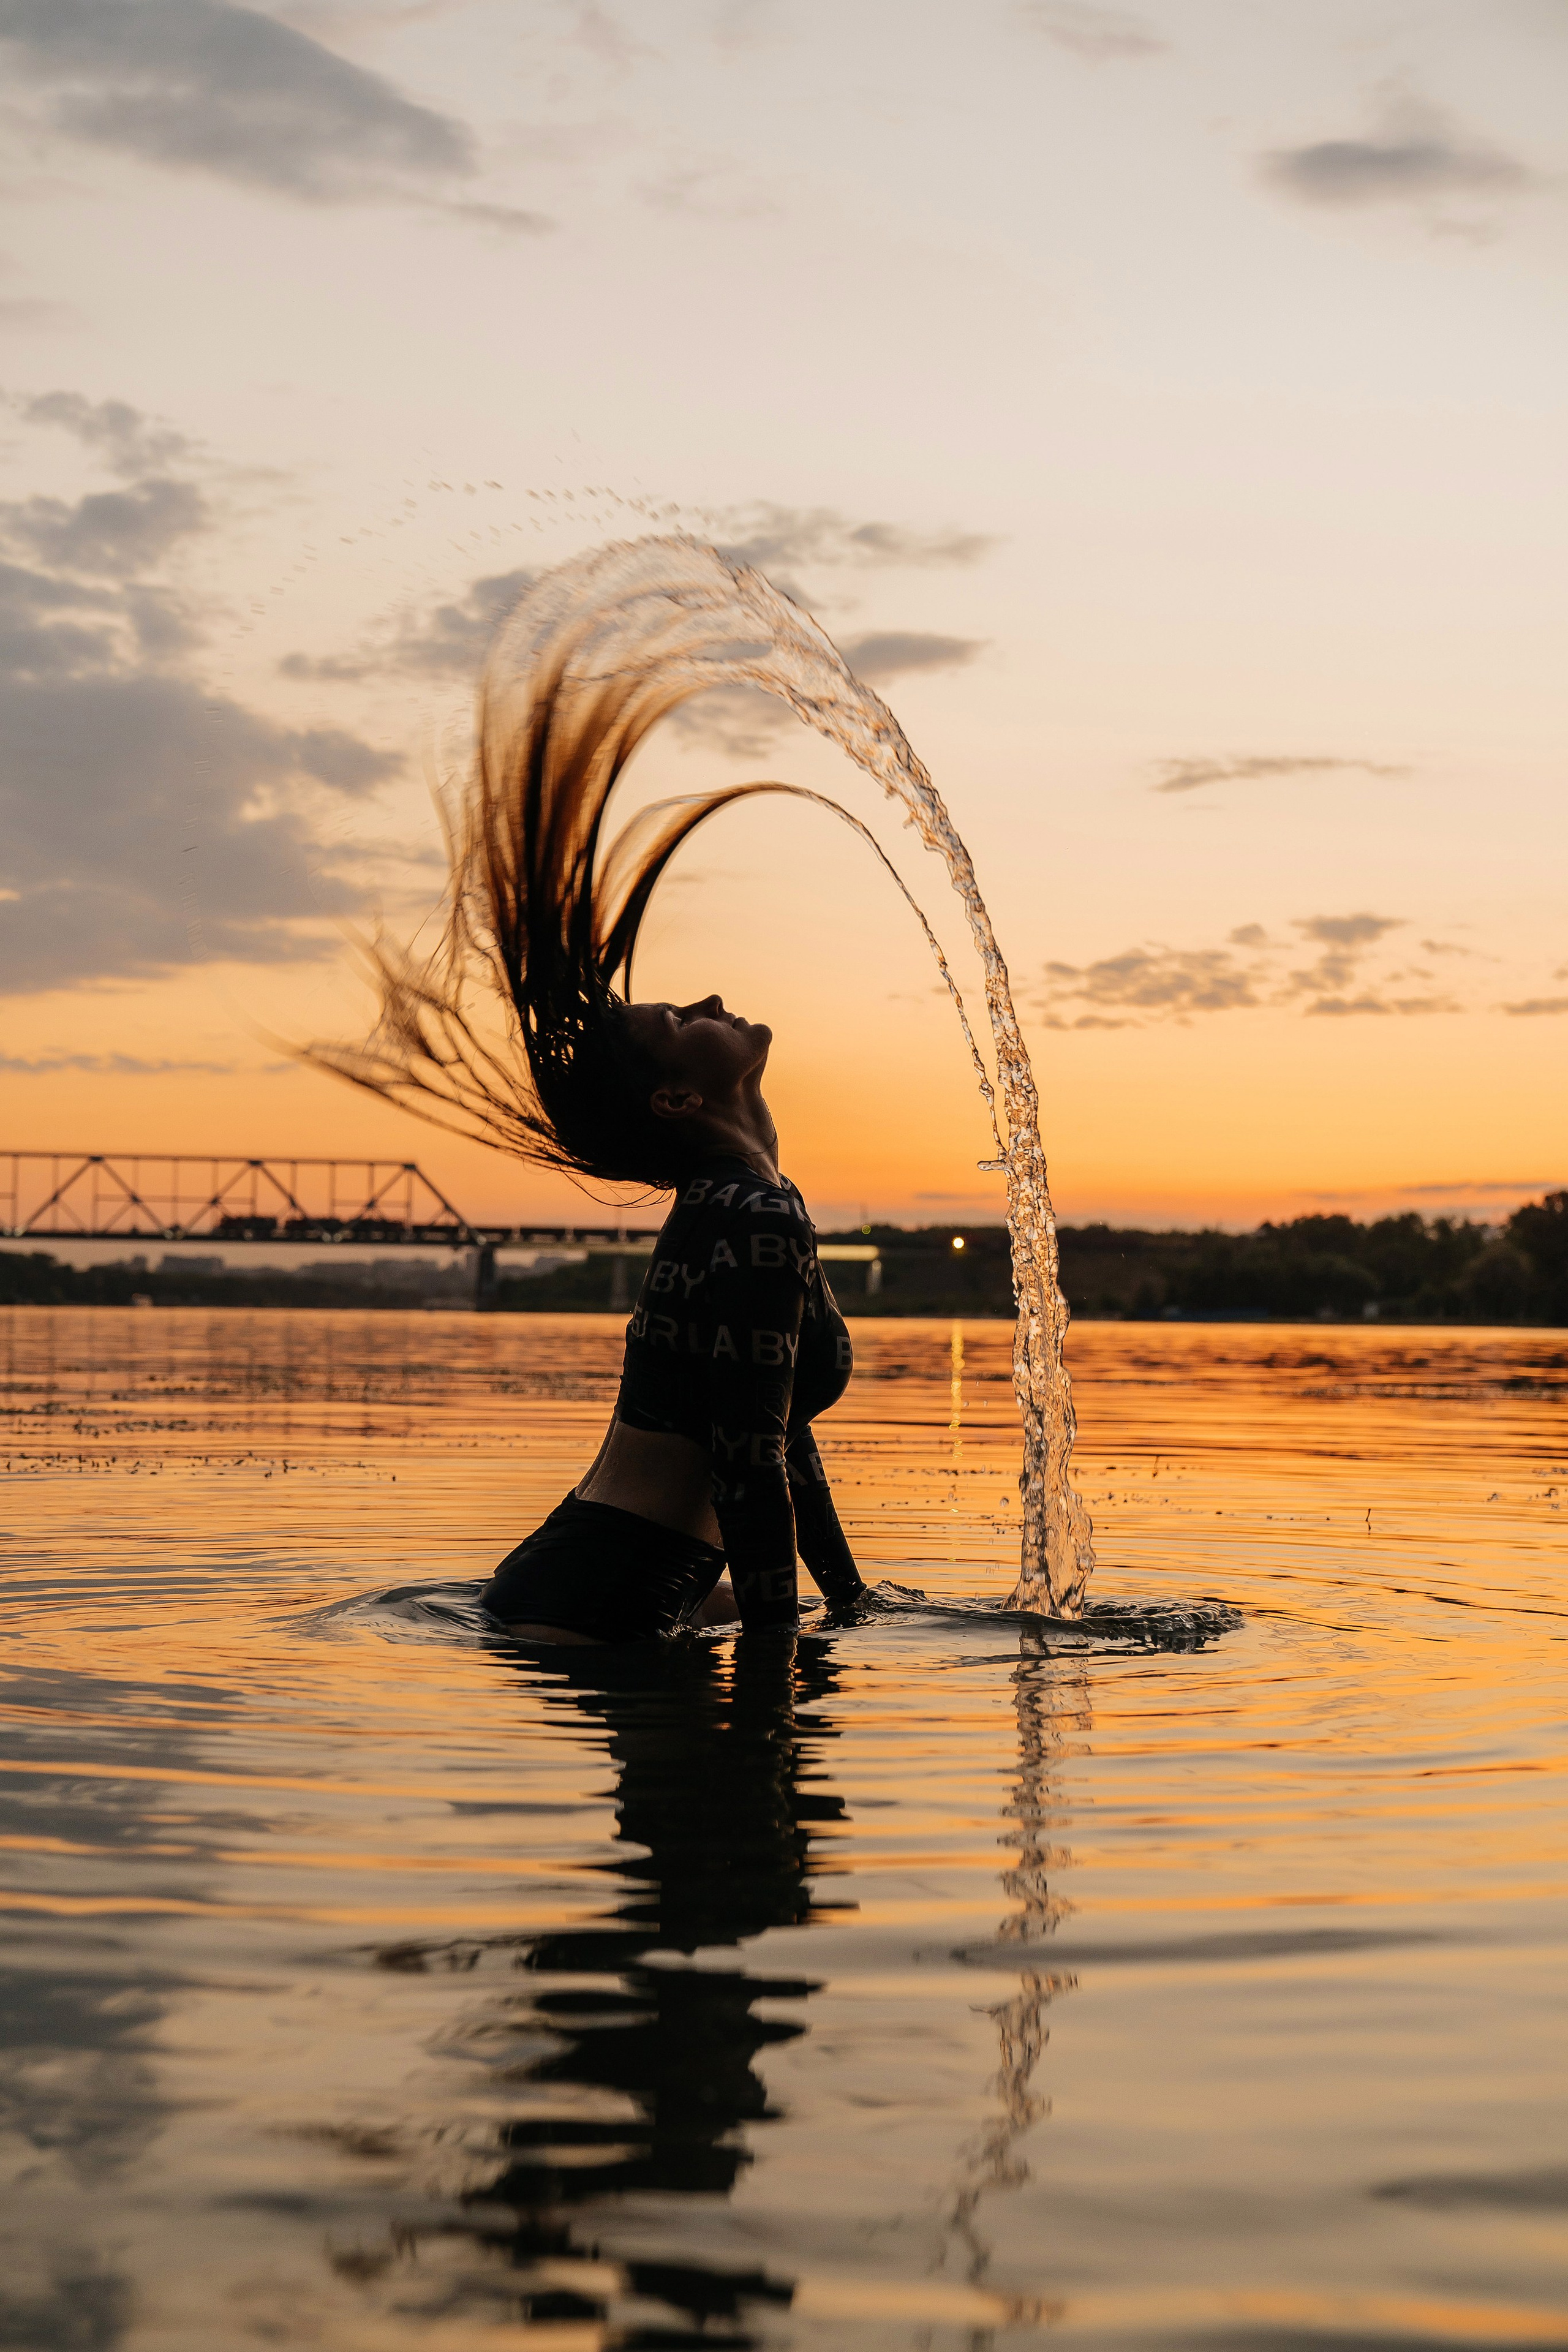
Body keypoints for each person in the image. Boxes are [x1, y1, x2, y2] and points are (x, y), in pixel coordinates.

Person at [303, 549, 867, 1642]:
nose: (704, 997)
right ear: (674, 1099)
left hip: (600, 1581)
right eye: (676, 1021)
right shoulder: (749, 1219)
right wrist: (784, 1684)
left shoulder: (739, 1211)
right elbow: (748, 1472)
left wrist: (851, 1604)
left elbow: (781, 1440)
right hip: (603, 1592)